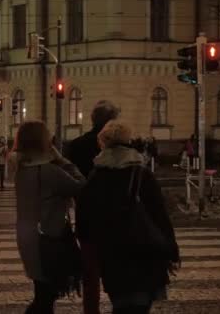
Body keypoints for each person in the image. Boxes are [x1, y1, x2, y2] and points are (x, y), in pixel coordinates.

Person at [77, 121, 180, 314]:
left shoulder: (97, 176)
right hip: (145, 254)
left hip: (113, 257)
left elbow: (85, 220)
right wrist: (171, 250)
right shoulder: (142, 174)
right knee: (140, 308)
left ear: (103, 144)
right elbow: (160, 215)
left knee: (121, 305)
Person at [14, 120, 85, 314]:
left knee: (43, 293)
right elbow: (82, 187)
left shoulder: (22, 169)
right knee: (45, 299)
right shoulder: (50, 172)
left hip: (28, 237)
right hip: (49, 240)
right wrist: (63, 160)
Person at [67, 100, 120, 314]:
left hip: (86, 215)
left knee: (90, 271)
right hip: (116, 216)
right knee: (117, 268)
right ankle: (121, 305)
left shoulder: (77, 145)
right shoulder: (121, 149)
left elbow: (71, 180)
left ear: (92, 119)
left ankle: (91, 310)